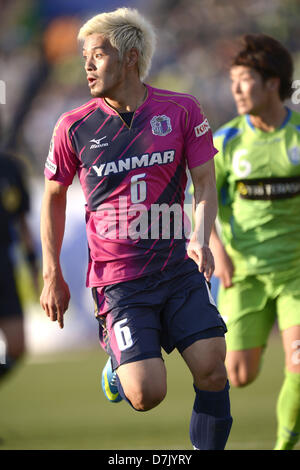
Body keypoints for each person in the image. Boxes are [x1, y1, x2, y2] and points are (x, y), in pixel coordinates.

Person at [40, 7, 232, 450]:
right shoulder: (73, 126)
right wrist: (53, 274)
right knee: (148, 394)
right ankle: (120, 362)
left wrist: (200, 239)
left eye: (97, 55)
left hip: (177, 269)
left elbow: (205, 183)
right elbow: (52, 196)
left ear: (129, 56)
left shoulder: (181, 110)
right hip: (119, 282)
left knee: (212, 367)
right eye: (84, 56)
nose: (87, 65)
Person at [209, 34, 300, 450]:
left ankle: (283, 444)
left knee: (298, 368)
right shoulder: (226, 141)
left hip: (296, 273)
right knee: (238, 376)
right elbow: (202, 201)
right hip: (243, 274)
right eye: (234, 81)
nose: (237, 90)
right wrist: (217, 251)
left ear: (272, 83)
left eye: (245, 80)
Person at [0, 151, 39, 380]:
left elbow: (23, 223)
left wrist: (34, 268)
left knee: (17, 347)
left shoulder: (10, 167)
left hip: (4, 264)